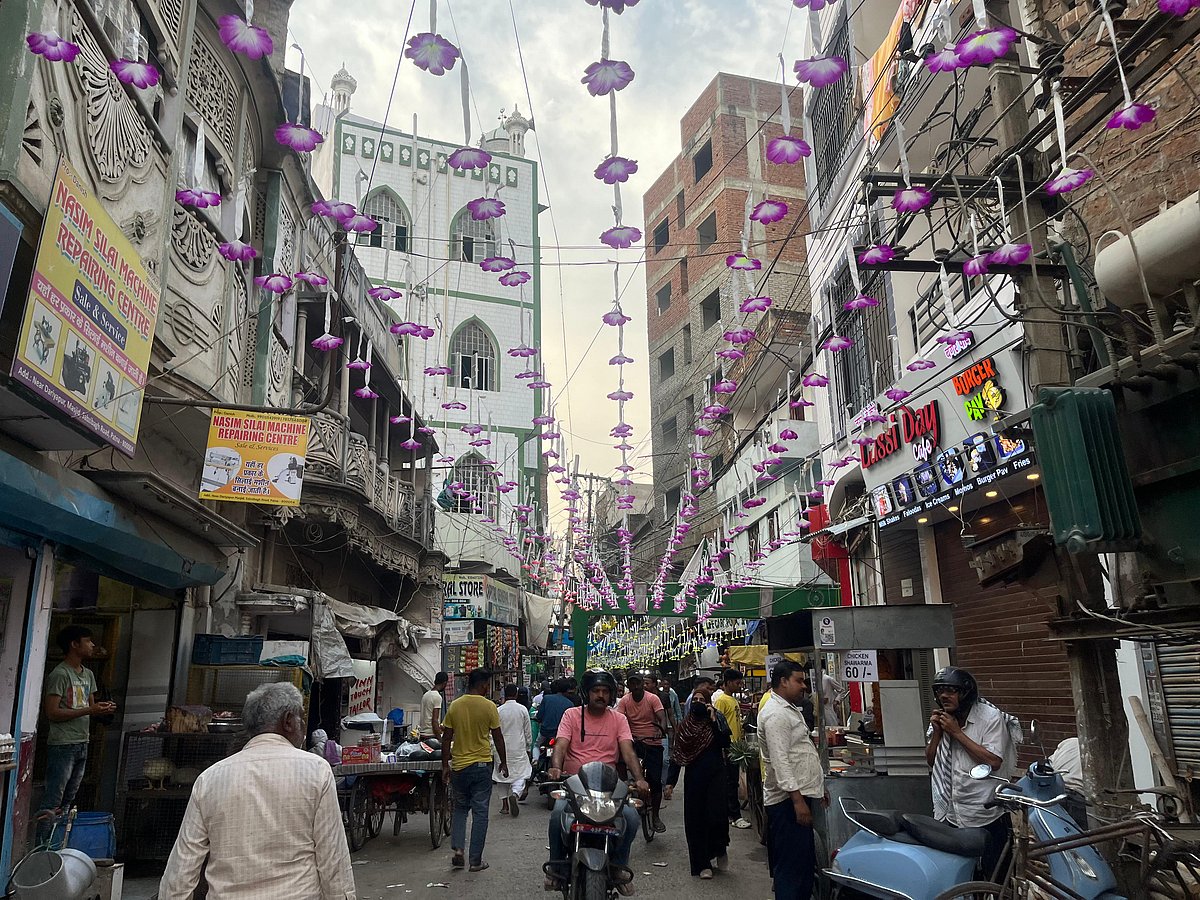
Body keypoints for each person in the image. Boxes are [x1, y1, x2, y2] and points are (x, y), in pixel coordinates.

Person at [159, 683, 355, 899]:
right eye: (301, 718)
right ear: (288, 721)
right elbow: (333, 859)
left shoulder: (210, 779)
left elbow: (182, 868)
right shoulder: (316, 771)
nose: (302, 726)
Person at [546, 669, 648, 896]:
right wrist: (555, 767)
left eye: (605, 691)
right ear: (586, 693)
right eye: (596, 691)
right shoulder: (571, 715)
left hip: (609, 787)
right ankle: (554, 867)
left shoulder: (619, 719)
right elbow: (560, 745)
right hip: (575, 785)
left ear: (612, 695)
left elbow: (628, 752)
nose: (600, 695)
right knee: (557, 815)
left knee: (631, 818)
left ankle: (619, 865)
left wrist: (639, 779)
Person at [926, 666, 1020, 881]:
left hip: (986, 812)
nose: (944, 696)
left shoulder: (990, 718)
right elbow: (931, 760)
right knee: (961, 876)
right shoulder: (944, 718)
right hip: (953, 811)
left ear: (966, 693)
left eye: (951, 691)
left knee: (997, 876)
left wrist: (956, 733)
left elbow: (993, 761)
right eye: (940, 691)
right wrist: (938, 735)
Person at [759, 660, 825, 900]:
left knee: (803, 866)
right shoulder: (775, 714)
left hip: (799, 795)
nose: (804, 686)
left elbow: (800, 752)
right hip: (787, 802)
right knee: (791, 868)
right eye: (799, 680)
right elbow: (781, 761)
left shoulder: (789, 708)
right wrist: (798, 801)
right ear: (783, 681)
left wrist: (818, 786)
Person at [39, 625, 116, 832]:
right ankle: (44, 849)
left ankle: (58, 845)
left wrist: (104, 709)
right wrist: (90, 710)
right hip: (62, 743)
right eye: (87, 641)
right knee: (53, 799)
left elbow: (90, 708)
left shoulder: (88, 674)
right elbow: (52, 712)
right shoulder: (60, 674)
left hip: (82, 741)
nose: (92, 645)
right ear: (74, 645)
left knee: (68, 800)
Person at [442, 668, 508, 872]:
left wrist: (445, 765)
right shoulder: (489, 707)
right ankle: (475, 861)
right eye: (487, 684)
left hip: (459, 767)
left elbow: (446, 738)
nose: (488, 688)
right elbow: (497, 737)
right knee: (480, 813)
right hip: (481, 766)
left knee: (460, 809)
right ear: (482, 685)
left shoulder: (455, 706)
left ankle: (458, 850)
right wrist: (503, 762)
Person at [665, 674, 730, 878]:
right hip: (694, 778)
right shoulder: (685, 726)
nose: (699, 703)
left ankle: (719, 849)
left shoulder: (717, 719)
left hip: (716, 775)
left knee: (717, 816)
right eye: (696, 701)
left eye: (703, 700)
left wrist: (712, 720)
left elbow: (725, 743)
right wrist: (670, 783)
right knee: (696, 821)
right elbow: (677, 755)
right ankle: (701, 864)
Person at [617, 673, 668, 833]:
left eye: (638, 683)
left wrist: (661, 730)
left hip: (652, 741)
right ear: (629, 686)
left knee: (655, 780)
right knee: (619, 759)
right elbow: (619, 718)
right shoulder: (625, 700)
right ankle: (625, 784)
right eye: (632, 684)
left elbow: (662, 718)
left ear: (642, 684)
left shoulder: (653, 698)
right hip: (632, 741)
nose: (636, 687)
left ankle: (656, 816)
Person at [711, 668, 751, 829]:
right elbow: (718, 724)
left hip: (735, 746)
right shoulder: (722, 700)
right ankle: (735, 815)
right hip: (727, 747)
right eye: (737, 683)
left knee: (732, 781)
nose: (740, 685)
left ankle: (730, 813)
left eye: (740, 682)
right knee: (730, 782)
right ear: (727, 683)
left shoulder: (733, 700)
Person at [495, 684, 532, 817]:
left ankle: (505, 806)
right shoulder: (522, 710)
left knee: (501, 776)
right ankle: (515, 794)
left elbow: (493, 731)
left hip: (501, 748)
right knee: (521, 773)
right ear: (516, 694)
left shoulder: (499, 710)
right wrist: (528, 747)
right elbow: (528, 731)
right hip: (518, 747)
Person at [420, 671, 448, 738]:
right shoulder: (437, 697)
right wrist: (439, 738)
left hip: (422, 734)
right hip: (430, 735)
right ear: (444, 683)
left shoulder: (426, 695)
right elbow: (434, 720)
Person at [820, 661, 847, 727]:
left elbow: (842, 690)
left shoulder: (827, 679)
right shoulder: (813, 680)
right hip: (817, 710)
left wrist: (836, 700)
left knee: (831, 728)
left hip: (828, 708)